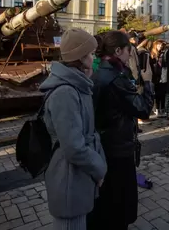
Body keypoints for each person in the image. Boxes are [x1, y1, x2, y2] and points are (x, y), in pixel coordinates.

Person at [39, 28, 107, 229]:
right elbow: (74, 147)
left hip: (77, 176)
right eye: (91, 53)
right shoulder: (66, 93)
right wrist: (99, 169)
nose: (94, 57)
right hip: (68, 179)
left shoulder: (77, 86)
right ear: (80, 56)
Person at [89, 30, 154, 229]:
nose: (130, 55)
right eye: (128, 50)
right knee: (119, 206)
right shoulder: (115, 78)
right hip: (117, 149)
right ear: (118, 51)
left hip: (102, 146)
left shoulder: (98, 73)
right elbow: (142, 109)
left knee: (105, 203)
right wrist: (148, 81)